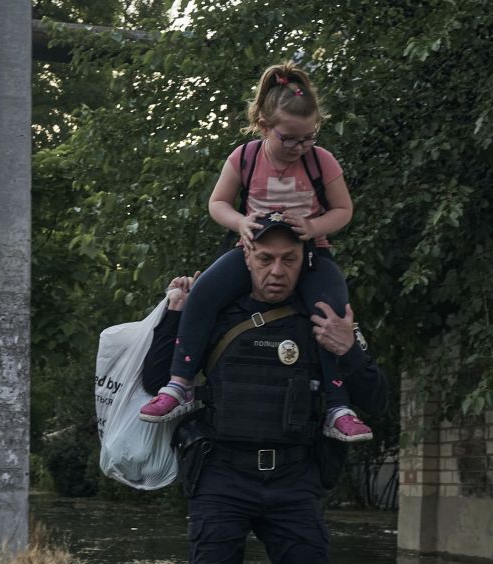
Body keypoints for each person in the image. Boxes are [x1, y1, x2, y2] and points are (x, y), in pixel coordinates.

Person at [141, 214, 388, 564]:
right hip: (221, 477)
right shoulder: (212, 311)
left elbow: (376, 400)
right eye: (267, 258)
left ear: (304, 260)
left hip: (295, 480)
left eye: (289, 259)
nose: (277, 271)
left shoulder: (322, 317)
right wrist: (174, 312)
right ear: (246, 256)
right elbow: (155, 380)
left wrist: (348, 348)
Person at [139, 60, 374, 445]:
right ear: (264, 126)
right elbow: (218, 203)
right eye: (290, 139)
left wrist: (313, 226)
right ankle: (179, 383)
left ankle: (337, 406)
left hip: (310, 253)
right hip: (253, 248)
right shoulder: (245, 158)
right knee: (203, 294)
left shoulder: (321, 161)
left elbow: (343, 210)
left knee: (331, 312)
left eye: (309, 137)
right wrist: (240, 223)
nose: (300, 148)